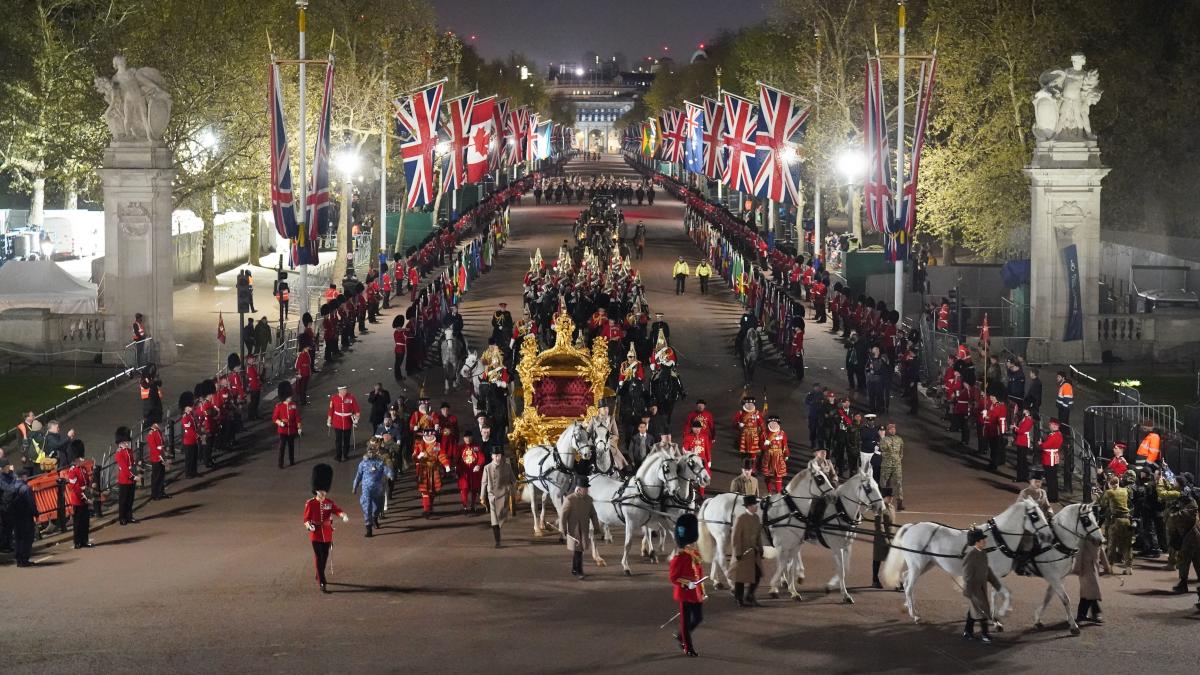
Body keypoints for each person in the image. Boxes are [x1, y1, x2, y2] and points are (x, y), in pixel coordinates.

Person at [303, 463, 348, 592]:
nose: (323, 493)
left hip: (327, 533)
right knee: (319, 556)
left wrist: (343, 515)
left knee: (325, 556)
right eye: (321, 490)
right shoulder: (310, 503)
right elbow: (306, 519)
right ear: (316, 490)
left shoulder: (329, 503)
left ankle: (318, 574)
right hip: (315, 533)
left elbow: (337, 510)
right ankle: (322, 581)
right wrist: (309, 526)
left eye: (324, 490)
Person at [668, 513, 705, 658]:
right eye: (691, 543)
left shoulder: (694, 554)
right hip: (684, 592)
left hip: (695, 591)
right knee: (685, 621)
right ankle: (687, 647)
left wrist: (701, 589)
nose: (693, 545)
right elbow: (673, 577)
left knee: (698, 618)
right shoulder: (679, 557)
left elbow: (699, 573)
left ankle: (681, 636)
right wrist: (687, 583)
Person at [962, 528, 1002, 643]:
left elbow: (987, 571)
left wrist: (997, 585)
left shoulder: (983, 553)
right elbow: (967, 576)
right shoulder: (970, 556)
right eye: (982, 539)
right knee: (983, 610)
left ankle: (967, 632)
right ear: (976, 542)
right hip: (974, 589)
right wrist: (969, 591)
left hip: (981, 587)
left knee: (974, 610)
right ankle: (985, 635)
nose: (985, 541)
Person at [560, 477, 602, 579]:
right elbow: (563, 516)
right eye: (585, 488)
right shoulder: (570, 499)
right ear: (578, 489)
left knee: (579, 551)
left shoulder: (588, 499)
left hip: (584, 529)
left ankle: (575, 569)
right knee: (578, 551)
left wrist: (597, 527)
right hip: (574, 530)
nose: (587, 490)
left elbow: (593, 514)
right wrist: (563, 529)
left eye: (587, 488)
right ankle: (578, 571)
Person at [352, 442, 393, 537]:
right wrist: (355, 486)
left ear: (375, 452)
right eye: (369, 451)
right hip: (366, 489)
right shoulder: (362, 464)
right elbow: (358, 476)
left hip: (378, 489)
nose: (371, 453)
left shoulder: (379, 462)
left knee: (378, 507)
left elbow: (386, 469)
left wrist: (390, 475)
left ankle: (375, 518)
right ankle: (369, 528)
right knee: (367, 508)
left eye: (372, 451)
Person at [731, 495, 764, 607]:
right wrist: (738, 553)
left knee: (757, 574)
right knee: (740, 577)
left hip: (754, 552)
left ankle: (749, 595)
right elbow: (735, 537)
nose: (757, 507)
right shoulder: (741, 519)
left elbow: (758, 535)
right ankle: (738, 598)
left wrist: (761, 548)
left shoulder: (756, 518)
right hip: (743, 553)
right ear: (749, 506)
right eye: (755, 505)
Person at [481, 444, 516, 547]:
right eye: (495, 456)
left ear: (501, 456)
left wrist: (514, 492)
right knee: (494, 519)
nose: (497, 458)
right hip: (492, 496)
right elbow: (484, 482)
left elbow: (513, 481)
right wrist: (482, 496)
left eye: (499, 455)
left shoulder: (507, 466)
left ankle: (499, 526)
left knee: (501, 516)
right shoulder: (487, 468)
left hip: (504, 495)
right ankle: (498, 541)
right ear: (492, 456)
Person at [413, 427, 451, 517]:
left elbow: (442, 455)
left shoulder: (437, 445)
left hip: (434, 469)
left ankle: (430, 507)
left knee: (433, 491)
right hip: (423, 470)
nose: (429, 436)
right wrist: (418, 457)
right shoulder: (419, 444)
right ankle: (426, 510)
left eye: (431, 435)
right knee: (424, 491)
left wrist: (446, 465)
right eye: (427, 435)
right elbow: (414, 457)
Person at [1073, 534, 1105, 625]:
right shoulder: (1082, 537)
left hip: (1094, 567)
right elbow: (1078, 554)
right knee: (1092, 590)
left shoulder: (1097, 535)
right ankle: (1095, 613)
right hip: (1085, 568)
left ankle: (1083, 614)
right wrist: (1077, 568)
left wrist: (1107, 566)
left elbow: (1101, 550)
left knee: (1088, 592)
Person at [327, 385, 361, 463]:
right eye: (343, 390)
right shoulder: (334, 398)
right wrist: (329, 420)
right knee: (338, 440)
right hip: (337, 421)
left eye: (345, 390)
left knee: (347, 440)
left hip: (348, 421)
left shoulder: (351, 397)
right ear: (339, 391)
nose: (345, 391)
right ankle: (338, 455)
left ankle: (345, 455)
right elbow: (331, 410)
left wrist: (356, 419)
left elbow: (356, 409)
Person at [65, 456, 93, 549]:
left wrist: (88, 490)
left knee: (85, 522)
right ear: (76, 460)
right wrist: (85, 497)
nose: (83, 460)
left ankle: (85, 541)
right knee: (78, 523)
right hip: (77, 500)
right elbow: (75, 487)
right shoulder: (72, 471)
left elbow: (87, 482)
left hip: (85, 498)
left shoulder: (83, 469)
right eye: (81, 459)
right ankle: (77, 542)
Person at [273, 381, 302, 468]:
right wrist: (280, 423)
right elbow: (274, 418)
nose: (291, 397)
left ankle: (292, 460)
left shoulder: (293, 405)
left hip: (292, 429)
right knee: (282, 447)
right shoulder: (279, 406)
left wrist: (299, 427)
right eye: (289, 396)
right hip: (283, 430)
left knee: (291, 446)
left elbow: (297, 417)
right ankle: (280, 463)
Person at [872, 487, 897, 588]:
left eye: (891, 497)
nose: (891, 498)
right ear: (884, 497)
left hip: (891, 537)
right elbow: (879, 526)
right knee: (878, 559)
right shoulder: (880, 508)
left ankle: (894, 581)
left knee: (891, 560)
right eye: (889, 497)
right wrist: (885, 540)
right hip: (881, 538)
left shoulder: (891, 507)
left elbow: (893, 524)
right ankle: (875, 579)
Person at [114, 426, 139, 525]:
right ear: (121, 442)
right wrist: (133, 476)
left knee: (130, 499)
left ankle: (129, 516)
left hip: (131, 478)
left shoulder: (128, 451)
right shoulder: (119, 453)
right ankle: (122, 518)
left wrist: (136, 472)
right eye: (125, 441)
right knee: (123, 500)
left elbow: (132, 463)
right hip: (124, 479)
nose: (127, 443)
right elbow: (124, 468)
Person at [455, 430, 484, 514]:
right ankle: (465, 506)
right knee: (464, 489)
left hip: (474, 472)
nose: (467, 439)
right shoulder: (460, 448)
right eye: (466, 437)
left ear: (472, 438)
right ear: (463, 438)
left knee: (474, 489)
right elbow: (457, 459)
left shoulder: (476, 447)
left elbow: (481, 457)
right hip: (464, 472)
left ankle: (473, 505)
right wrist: (456, 468)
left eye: (469, 437)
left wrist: (478, 465)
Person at [760, 415, 789, 494]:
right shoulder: (764, 434)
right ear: (768, 423)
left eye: (775, 422)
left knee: (778, 476)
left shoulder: (782, 433)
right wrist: (765, 444)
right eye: (772, 422)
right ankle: (769, 492)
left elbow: (785, 445)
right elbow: (761, 446)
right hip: (768, 457)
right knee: (768, 476)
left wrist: (786, 454)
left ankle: (778, 492)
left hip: (779, 457)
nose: (773, 424)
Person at [879, 423, 905, 510]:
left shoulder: (899, 439)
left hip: (897, 465)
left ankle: (900, 503)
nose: (893, 430)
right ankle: (882, 501)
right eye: (890, 429)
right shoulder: (884, 440)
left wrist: (898, 459)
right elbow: (882, 450)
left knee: (899, 483)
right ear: (888, 430)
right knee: (884, 483)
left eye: (894, 429)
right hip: (887, 465)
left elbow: (901, 452)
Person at [1040, 419, 1064, 502]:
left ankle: (1052, 497)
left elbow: (1046, 445)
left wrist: (1041, 444)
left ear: (1055, 425)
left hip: (1050, 458)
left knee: (1051, 479)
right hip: (1052, 457)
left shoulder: (1055, 435)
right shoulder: (1057, 434)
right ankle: (1053, 495)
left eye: (1050, 425)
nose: (1049, 426)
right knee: (1052, 478)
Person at [180, 392, 200, 478]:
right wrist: (197, 435)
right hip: (189, 441)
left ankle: (194, 471)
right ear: (186, 408)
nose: (192, 407)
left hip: (193, 440)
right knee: (189, 458)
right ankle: (188, 473)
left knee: (194, 457)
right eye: (190, 406)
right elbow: (189, 430)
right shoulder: (185, 417)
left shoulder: (190, 415)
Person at [146, 421, 168, 500]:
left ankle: (161, 492)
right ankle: (155, 494)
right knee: (156, 477)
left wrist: (164, 454)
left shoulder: (158, 431)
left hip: (161, 455)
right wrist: (160, 456)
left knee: (161, 475)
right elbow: (153, 447)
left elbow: (161, 443)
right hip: (156, 458)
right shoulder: (151, 434)